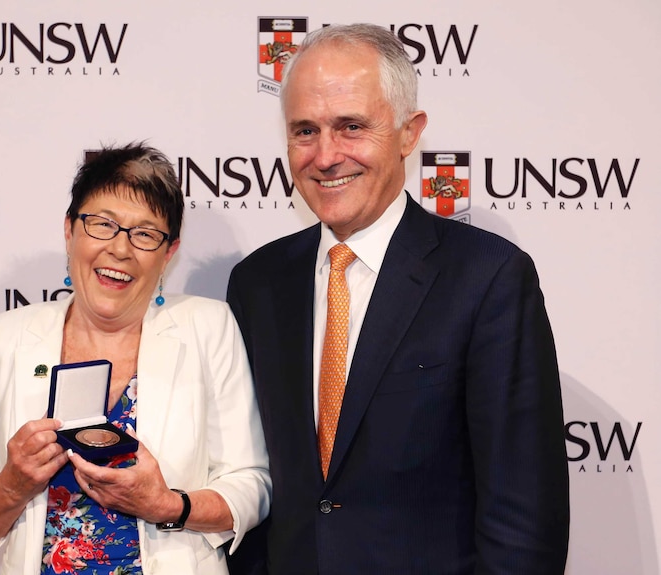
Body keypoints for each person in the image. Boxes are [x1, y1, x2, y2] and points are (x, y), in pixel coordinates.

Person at [226, 24, 569, 574]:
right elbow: (253, 481)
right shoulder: (257, 283)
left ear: (410, 134)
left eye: (352, 127)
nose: (326, 155)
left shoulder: (489, 279)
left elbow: (523, 523)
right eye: (305, 131)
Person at [0, 143, 271, 575]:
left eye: (144, 233)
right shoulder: (5, 337)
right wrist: (13, 484)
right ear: (70, 231)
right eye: (102, 224)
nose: (120, 250)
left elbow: (251, 484)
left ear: (168, 253)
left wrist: (166, 505)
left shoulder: (207, 327)